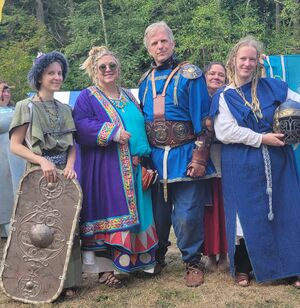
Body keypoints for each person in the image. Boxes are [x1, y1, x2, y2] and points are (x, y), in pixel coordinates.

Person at [210, 36, 300, 287]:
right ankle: (243, 267)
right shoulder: (224, 95)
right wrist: (262, 138)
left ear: (258, 61)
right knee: (244, 215)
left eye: (252, 59)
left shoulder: (274, 87)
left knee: (285, 210)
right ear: (233, 60)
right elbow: (225, 132)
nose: (247, 64)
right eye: (243, 59)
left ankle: (291, 268)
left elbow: (297, 103)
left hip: (279, 161)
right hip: (241, 162)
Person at [73, 46, 158, 288]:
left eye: (113, 66)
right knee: (108, 215)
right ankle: (104, 269)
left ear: (119, 69)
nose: (108, 70)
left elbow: (141, 126)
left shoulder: (129, 96)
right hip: (107, 168)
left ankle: (134, 263)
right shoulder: (87, 97)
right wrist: (112, 132)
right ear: (94, 70)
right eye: (103, 67)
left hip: (136, 166)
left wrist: (145, 161)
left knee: (139, 214)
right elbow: (81, 126)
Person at [139, 21, 213, 287]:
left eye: (164, 41)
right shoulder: (145, 80)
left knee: (187, 214)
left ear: (172, 43)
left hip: (185, 155)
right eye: (154, 43)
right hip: (157, 159)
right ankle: (157, 255)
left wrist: (200, 157)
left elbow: (204, 121)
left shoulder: (190, 74)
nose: (160, 46)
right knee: (158, 214)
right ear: (148, 49)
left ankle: (193, 261)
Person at [9, 51, 82, 297]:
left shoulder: (65, 109)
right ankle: (35, 283)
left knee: (65, 228)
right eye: (51, 72)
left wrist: (70, 165)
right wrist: (41, 161)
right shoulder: (25, 107)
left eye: (60, 73)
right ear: (39, 76)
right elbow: (15, 145)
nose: (57, 77)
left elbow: (72, 146)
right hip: (37, 176)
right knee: (38, 230)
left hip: (65, 174)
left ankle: (67, 283)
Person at [202, 63, 228, 271]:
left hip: (225, 157)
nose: (216, 77)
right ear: (205, 75)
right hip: (202, 158)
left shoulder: (229, 97)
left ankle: (226, 252)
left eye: (221, 74)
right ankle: (210, 253)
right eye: (212, 73)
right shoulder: (197, 97)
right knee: (207, 207)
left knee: (224, 206)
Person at [0, 81, 25, 238]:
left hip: (18, 160)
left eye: (7, 90)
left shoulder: (16, 109)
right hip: (2, 160)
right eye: (2, 91)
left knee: (17, 191)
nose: (6, 93)